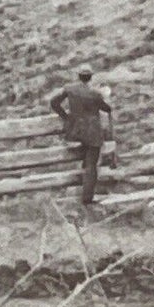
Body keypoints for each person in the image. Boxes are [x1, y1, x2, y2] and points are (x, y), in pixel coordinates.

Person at [49, 65, 113, 205]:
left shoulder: (69, 88)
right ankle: (87, 198)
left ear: (78, 76)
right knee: (91, 165)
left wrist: (66, 117)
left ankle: (77, 192)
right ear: (90, 77)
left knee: (83, 161)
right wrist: (106, 96)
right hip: (93, 133)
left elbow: (54, 102)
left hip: (75, 131)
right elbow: (107, 108)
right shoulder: (95, 93)